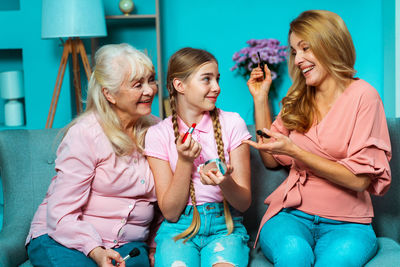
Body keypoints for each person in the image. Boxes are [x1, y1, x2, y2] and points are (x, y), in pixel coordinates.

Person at [244, 10, 392, 267]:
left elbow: (360, 180)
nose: (298, 59)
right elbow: (270, 160)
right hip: (291, 216)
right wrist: (260, 98)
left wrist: (297, 152)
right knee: (293, 254)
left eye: (305, 48)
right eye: (294, 51)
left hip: (349, 224)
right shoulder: (298, 96)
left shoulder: (364, 97)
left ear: (330, 45)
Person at [26, 43, 160, 267]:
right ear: (109, 94)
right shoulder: (86, 134)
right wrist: (95, 250)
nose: (149, 90)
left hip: (127, 245)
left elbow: (166, 204)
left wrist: (157, 245)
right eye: (138, 84)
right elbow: (60, 214)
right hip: (62, 239)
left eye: (151, 80)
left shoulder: (160, 131)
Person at [144, 47, 251, 267]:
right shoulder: (158, 134)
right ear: (179, 85)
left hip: (226, 226)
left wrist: (226, 181)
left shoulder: (232, 123)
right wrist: (185, 162)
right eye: (207, 79)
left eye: (217, 79)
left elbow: (244, 202)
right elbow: (171, 213)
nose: (217, 88)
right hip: (179, 228)